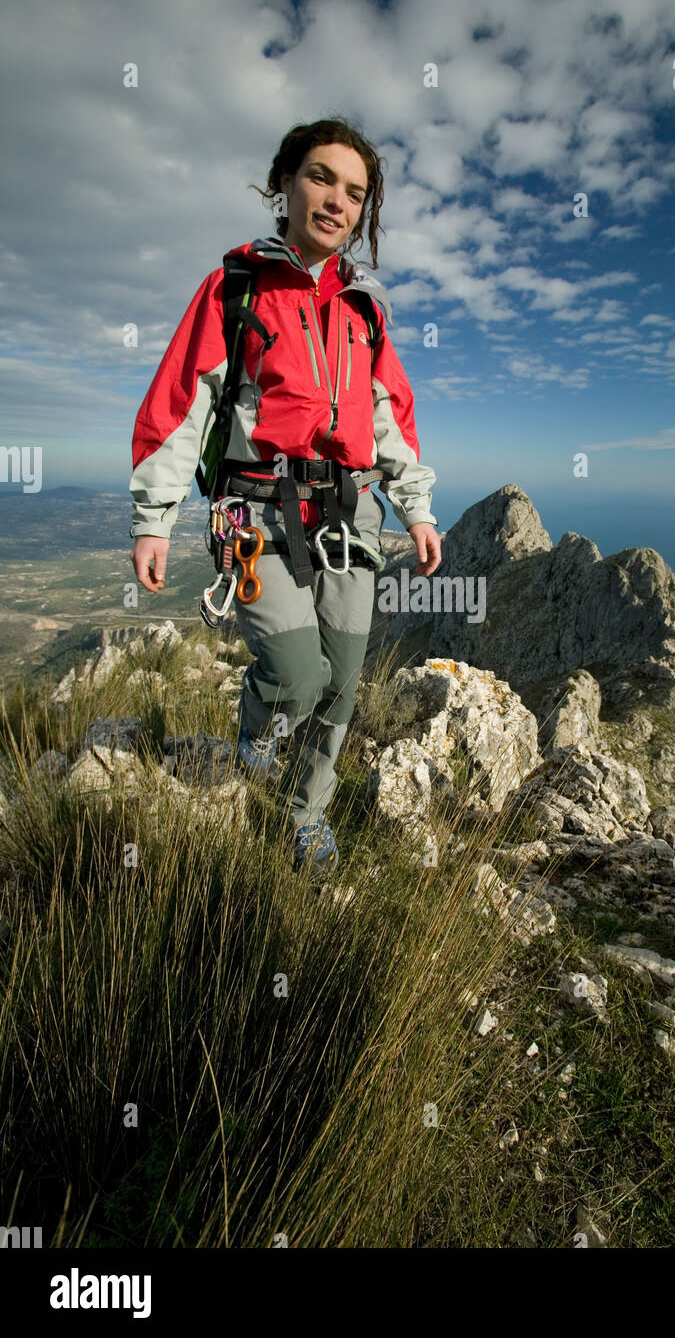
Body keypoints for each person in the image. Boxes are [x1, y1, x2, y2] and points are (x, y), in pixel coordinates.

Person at [129, 117, 441, 872]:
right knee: (299, 675)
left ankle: (306, 814)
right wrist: (154, 519)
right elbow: (184, 402)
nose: (338, 200)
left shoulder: (364, 308)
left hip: (350, 515)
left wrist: (418, 507)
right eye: (321, 177)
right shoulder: (236, 287)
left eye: (356, 192)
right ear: (285, 184)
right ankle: (255, 730)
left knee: (342, 681)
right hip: (256, 513)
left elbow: (388, 413)